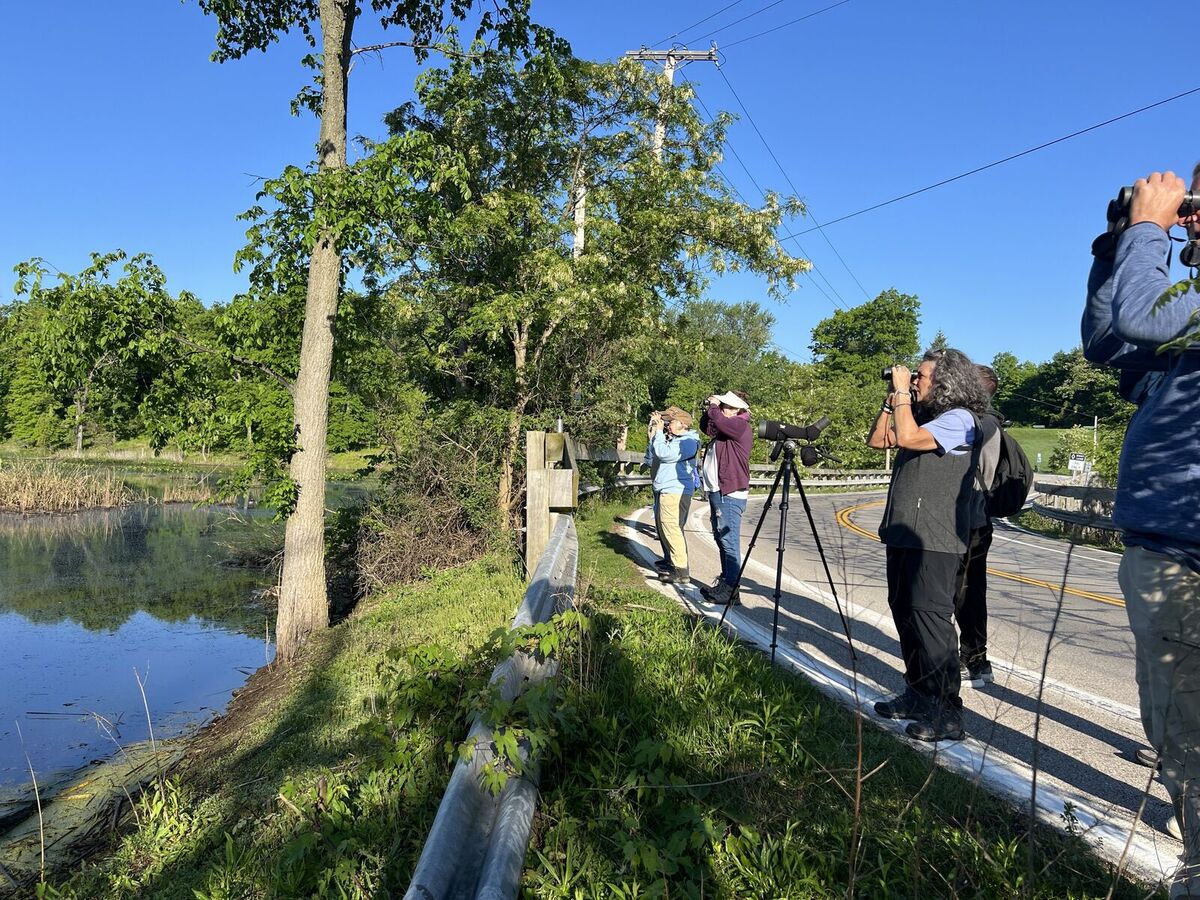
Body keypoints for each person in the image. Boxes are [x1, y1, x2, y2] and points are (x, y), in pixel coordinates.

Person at [1082, 166, 1200, 896]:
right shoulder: (1183, 298)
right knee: (1179, 726)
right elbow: (1107, 342)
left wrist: (1150, 230)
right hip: (1169, 545)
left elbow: (1139, 320)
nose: (1189, 217)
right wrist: (1118, 244)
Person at [867, 348, 990, 742]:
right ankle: (918, 695)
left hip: (936, 538)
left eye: (920, 376)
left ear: (946, 381)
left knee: (931, 622)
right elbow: (878, 441)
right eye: (913, 376)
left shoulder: (962, 420)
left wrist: (902, 395)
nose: (914, 381)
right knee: (905, 614)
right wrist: (892, 402)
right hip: (906, 531)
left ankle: (947, 713)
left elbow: (906, 438)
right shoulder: (923, 416)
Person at [955, 364, 1001, 688]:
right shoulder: (993, 423)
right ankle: (977, 660)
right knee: (972, 592)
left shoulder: (976, 425)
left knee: (960, 593)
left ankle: (971, 659)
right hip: (979, 520)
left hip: (967, 519)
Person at [699, 390, 753, 605]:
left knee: (729, 542)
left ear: (741, 409)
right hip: (717, 491)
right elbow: (708, 427)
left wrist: (714, 407)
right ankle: (727, 585)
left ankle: (731, 589)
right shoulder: (725, 427)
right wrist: (708, 409)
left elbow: (719, 423)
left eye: (730, 406)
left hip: (730, 492)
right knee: (721, 539)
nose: (724, 410)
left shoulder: (740, 426)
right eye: (723, 406)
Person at [646, 407, 700, 585]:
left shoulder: (688, 442)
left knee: (672, 528)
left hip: (675, 491)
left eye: (671, 422)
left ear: (682, 424)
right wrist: (654, 432)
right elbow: (654, 454)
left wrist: (660, 432)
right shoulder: (679, 440)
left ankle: (681, 571)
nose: (667, 425)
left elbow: (664, 454)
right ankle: (673, 563)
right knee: (667, 528)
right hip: (669, 489)